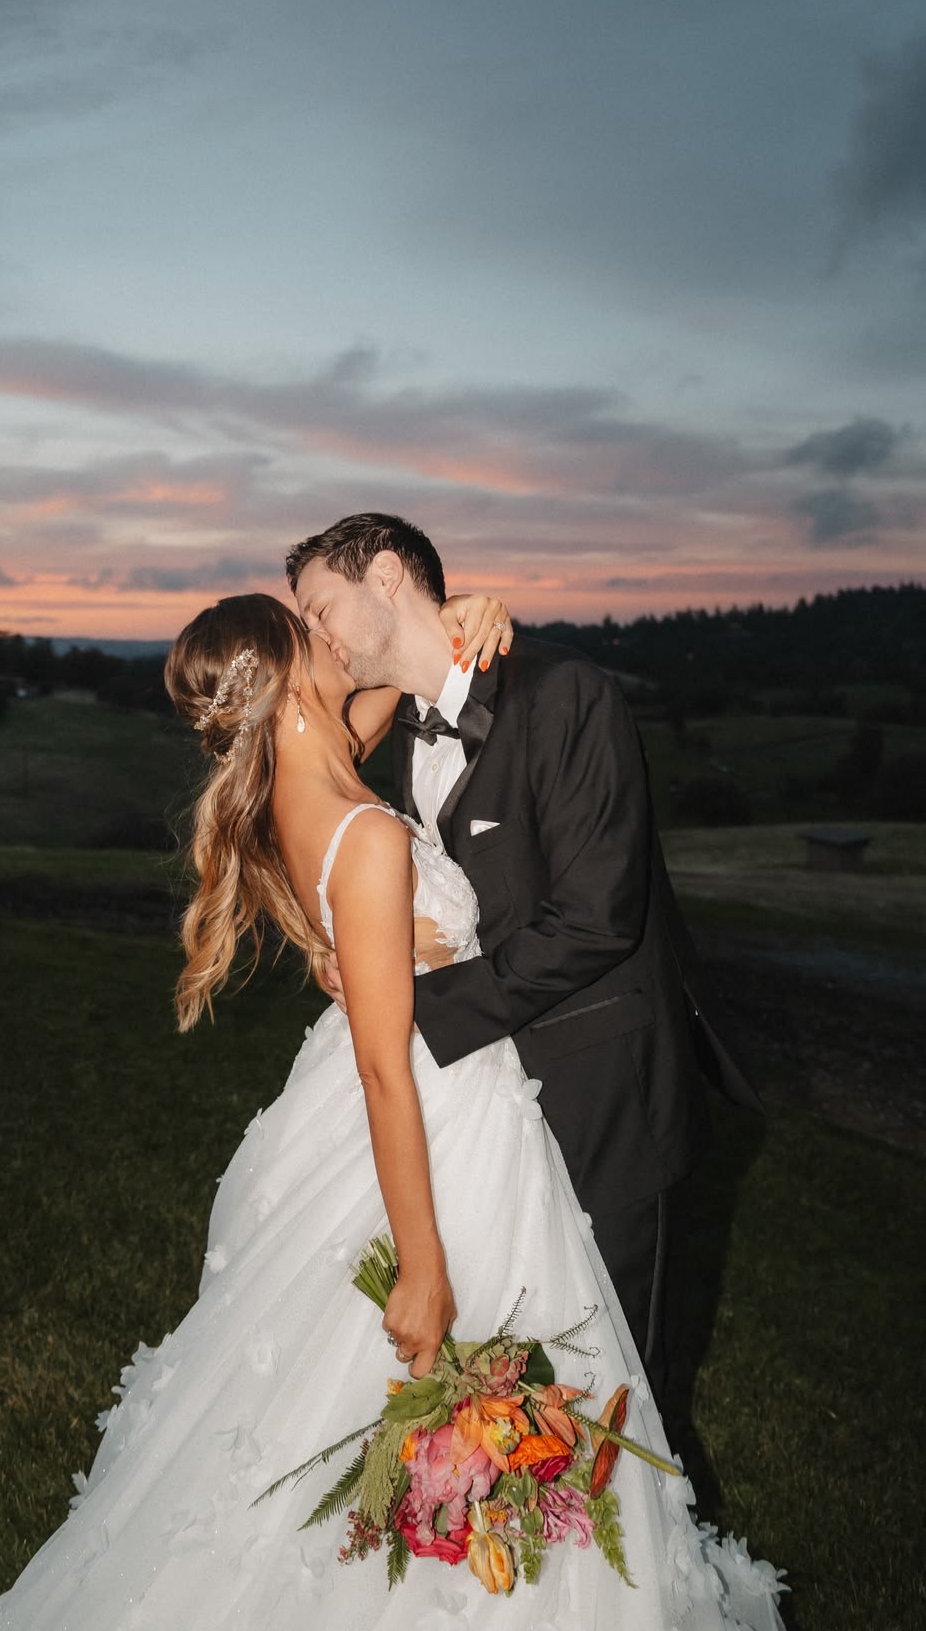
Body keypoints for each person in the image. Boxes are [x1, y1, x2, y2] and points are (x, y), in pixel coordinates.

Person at [0, 589, 790, 1631]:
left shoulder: (304, 768)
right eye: (312, 633)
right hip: (430, 1107)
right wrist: (421, 1263)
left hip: (456, 1085)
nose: (334, 642)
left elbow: (391, 686)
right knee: (459, 1367)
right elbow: (382, 1072)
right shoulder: (360, 829)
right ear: (289, 683)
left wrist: (461, 612)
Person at [288, 512, 762, 1407]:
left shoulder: (566, 694)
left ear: (384, 578)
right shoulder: (403, 731)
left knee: (620, 1395)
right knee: (520, 1391)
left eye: (320, 610)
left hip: (602, 1096)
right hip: (493, 1109)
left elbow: (596, 920)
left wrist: (418, 1010)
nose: (317, 636)